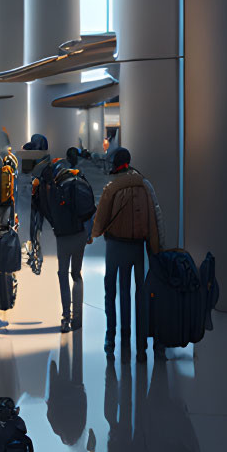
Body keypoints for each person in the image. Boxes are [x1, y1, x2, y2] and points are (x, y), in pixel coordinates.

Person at [91, 146, 164, 360]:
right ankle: (141, 346)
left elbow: (99, 224)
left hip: (115, 247)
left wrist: (93, 234)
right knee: (140, 293)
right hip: (137, 248)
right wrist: (158, 248)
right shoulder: (144, 184)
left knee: (113, 292)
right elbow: (156, 216)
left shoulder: (112, 187)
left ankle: (112, 338)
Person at [29, 146, 93, 332]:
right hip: (80, 234)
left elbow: (44, 214)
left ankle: (66, 317)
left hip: (63, 237)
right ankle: (78, 318)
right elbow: (87, 209)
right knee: (77, 275)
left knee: (63, 275)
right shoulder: (75, 179)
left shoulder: (49, 189)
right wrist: (88, 234)